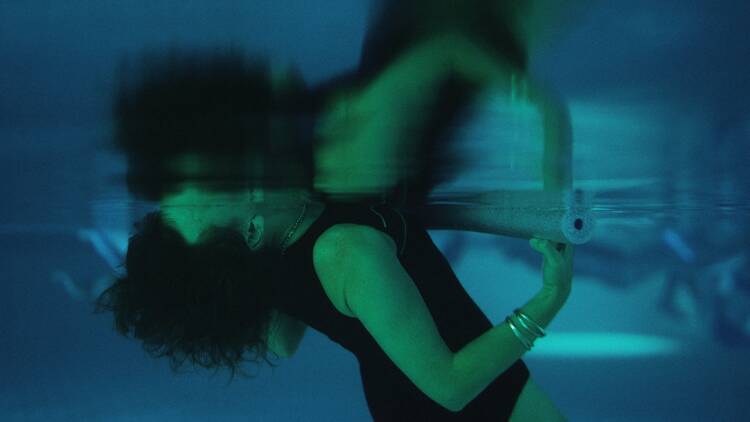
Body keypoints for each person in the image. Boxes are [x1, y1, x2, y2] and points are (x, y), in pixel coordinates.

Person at [97, 3, 576, 420]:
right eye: (213, 189)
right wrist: (550, 299)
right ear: (251, 229)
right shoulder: (346, 251)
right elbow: (451, 387)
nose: (210, 169)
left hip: (436, 380)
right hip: (452, 391)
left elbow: (283, 342)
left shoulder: (277, 240)